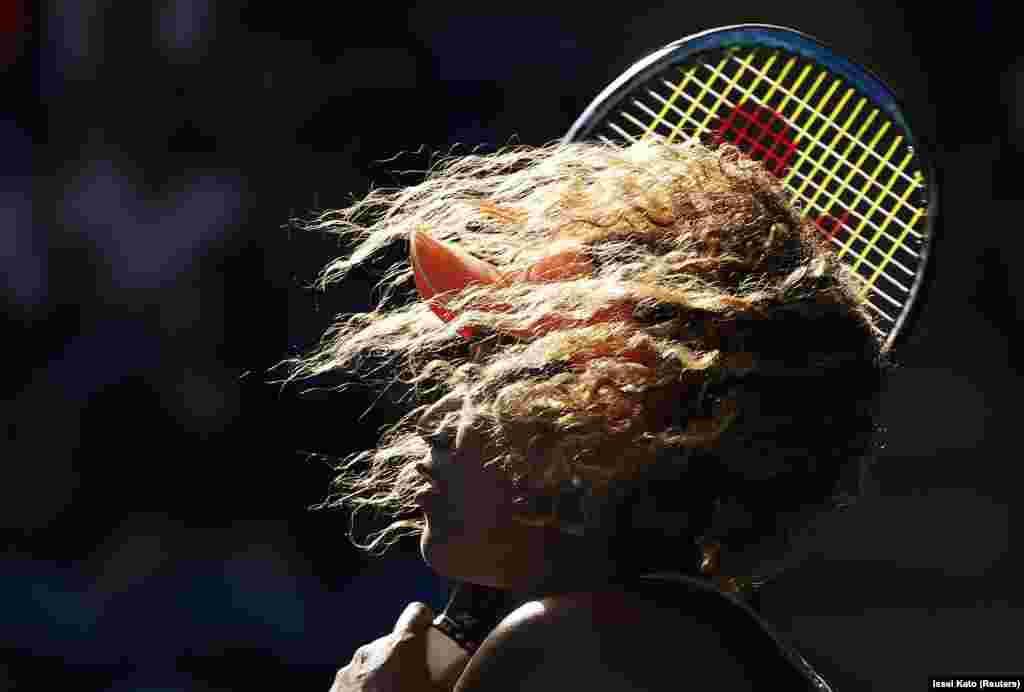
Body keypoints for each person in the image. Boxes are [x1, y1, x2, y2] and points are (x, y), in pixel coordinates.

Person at [276, 138, 888, 691]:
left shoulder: (562, 647)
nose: (436, 417)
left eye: (490, 371)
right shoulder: (665, 630)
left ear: (605, 419)